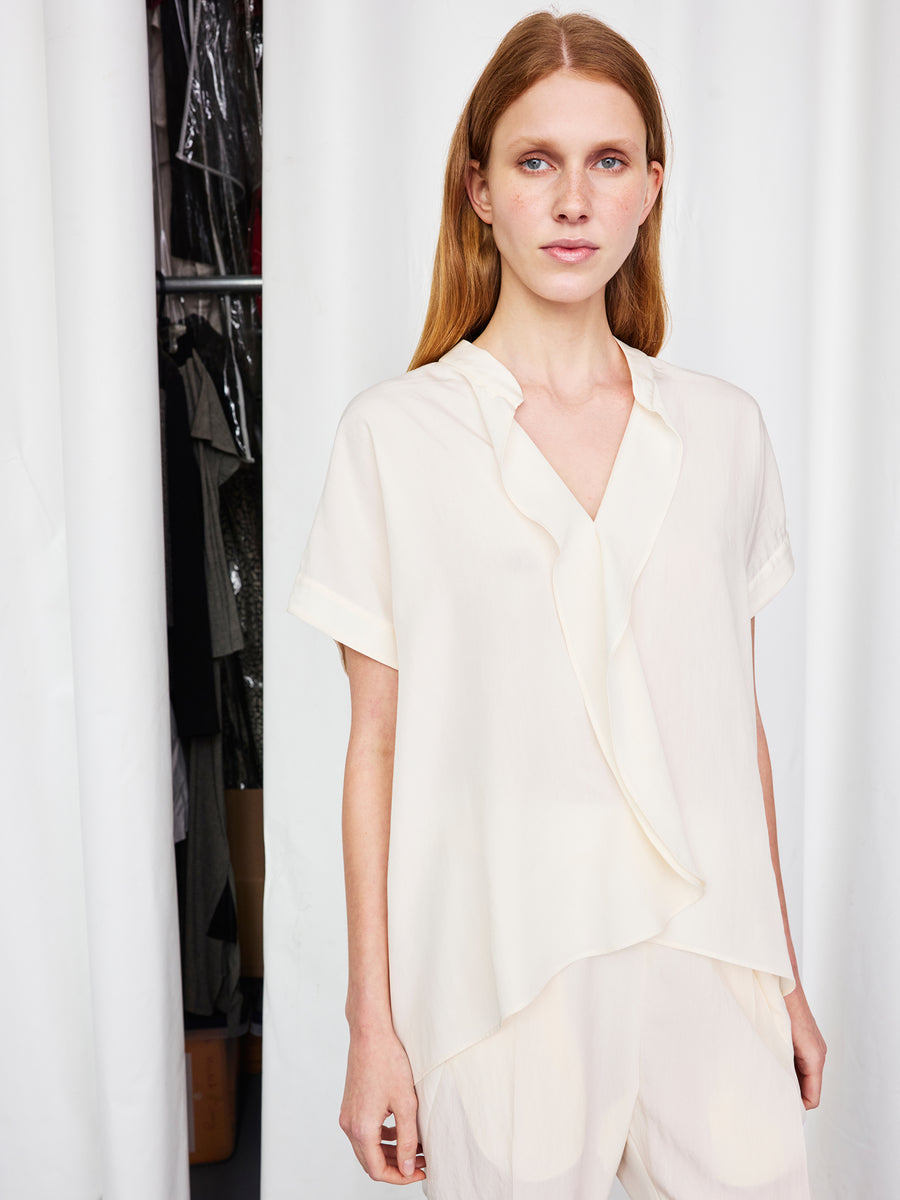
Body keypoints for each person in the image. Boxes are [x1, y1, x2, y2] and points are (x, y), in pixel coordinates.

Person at [288, 11, 826, 1198]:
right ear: (480, 190)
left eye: (608, 161)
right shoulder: (395, 438)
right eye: (537, 161)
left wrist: (780, 974)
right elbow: (374, 746)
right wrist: (373, 1026)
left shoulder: (724, 432)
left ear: (651, 191)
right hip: (504, 975)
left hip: (708, 957)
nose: (574, 201)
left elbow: (732, 722)